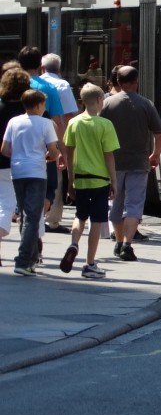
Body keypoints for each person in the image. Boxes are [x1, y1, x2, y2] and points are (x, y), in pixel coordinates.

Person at [100, 66, 161, 262]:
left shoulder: (107, 104)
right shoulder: (146, 104)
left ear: (118, 82)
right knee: (134, 204)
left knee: (116, 204)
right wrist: (155, 154)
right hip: (139, 162)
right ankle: (128, 244)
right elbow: (159, 134)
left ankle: (119, 242)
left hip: (114, 163)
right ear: (136, 81)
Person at [59, 83, 119, 279]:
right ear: (100, 100)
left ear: (82, 102)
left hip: (80, 179)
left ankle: (74, 243)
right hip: (100, 180)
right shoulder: (105, 125)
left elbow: (69, 152)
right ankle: (90, 263)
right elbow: (108, 155)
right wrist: (114, 181)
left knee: (80, 216)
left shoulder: (74, 123)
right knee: (96, 221)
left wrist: (70, 181)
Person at [2, 90, 61, 276]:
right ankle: (23, 260)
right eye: (43, 104)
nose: (44, 108)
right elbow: (53, 150)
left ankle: (32, 259)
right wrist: (53, 157)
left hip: (17, 171)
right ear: (37, 105)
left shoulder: (14, 122)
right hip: (36, 171)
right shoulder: (46, 123)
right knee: (32, 216)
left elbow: (4, 149)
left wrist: (20, 156)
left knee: (25, 215)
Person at [16, 47, 65, 241]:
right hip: (44, 151)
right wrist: (62, 152)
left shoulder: (11, 86)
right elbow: (57, 122)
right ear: (40, 66)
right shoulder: (48, 88)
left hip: (16, 152)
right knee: (47, 192)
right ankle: (34, 228)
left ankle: (28, 227)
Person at [41, 52, 80, 232]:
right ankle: (52, 220)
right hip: (56, 136)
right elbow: (68, 115)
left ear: (43, 68)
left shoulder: (34, 83)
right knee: (55, 178)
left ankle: (33, 213)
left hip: (33, 136)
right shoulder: (62, 85)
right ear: (59, 70)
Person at [0, 67, 32, 268]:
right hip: (20, 165)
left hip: (2, 164)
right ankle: (32, 251)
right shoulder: (27, 111)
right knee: (11, 207)